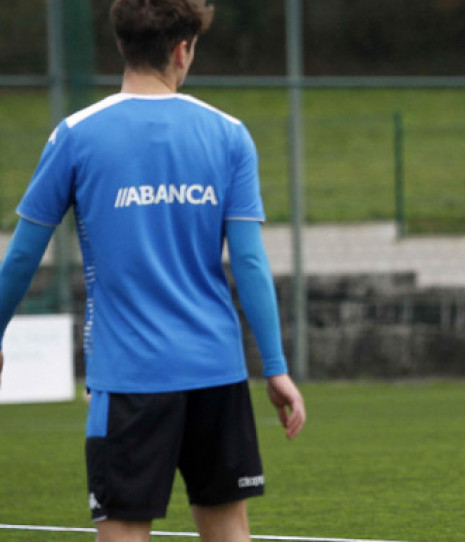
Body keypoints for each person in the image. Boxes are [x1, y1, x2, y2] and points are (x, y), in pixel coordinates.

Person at [0, 1, 307, 540]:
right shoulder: (229, 134)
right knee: (229, 530)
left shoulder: (76, 134)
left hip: (128, 379)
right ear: (183, 48)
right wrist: (276, 367)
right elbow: (251, 261)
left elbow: (24, 254)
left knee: (122, 530)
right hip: (217, 372)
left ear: (122, 45)